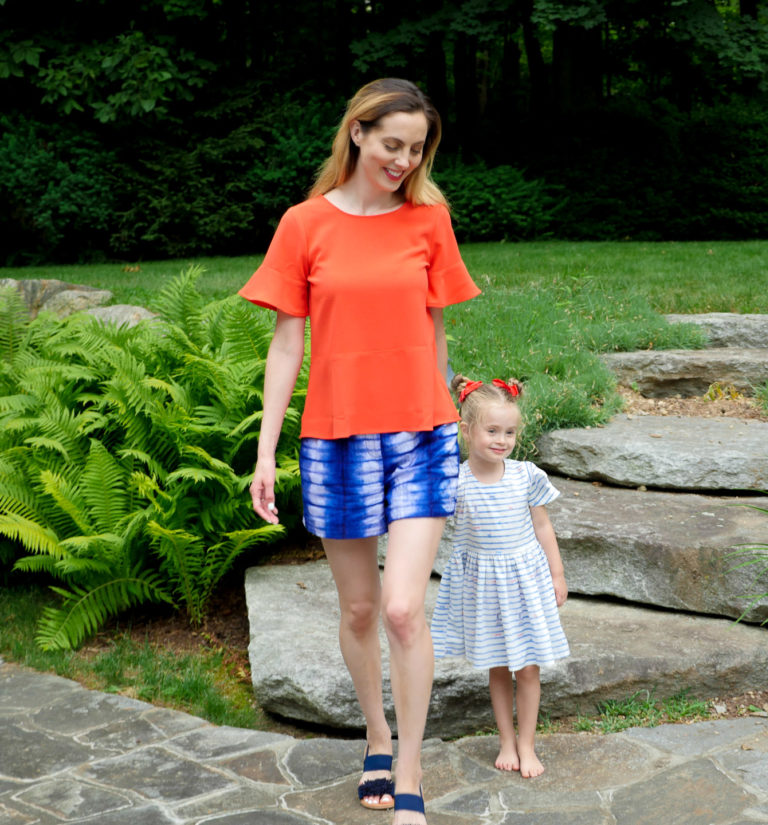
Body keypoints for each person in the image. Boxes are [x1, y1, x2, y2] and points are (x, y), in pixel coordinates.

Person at [240, 78, 480, 825]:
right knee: (359, 607)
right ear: (357, 133)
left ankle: (408, 764)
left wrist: (453, 415)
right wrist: (265, 450)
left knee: (405, 608)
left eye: (416, 149)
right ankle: (376, 734)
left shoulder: (430, 221)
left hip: (422, 435)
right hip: (335, 438)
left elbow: (438, 330)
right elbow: (287, 343)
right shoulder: (304, 224)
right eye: (391, 145)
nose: (404, 160)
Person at [430, 375, 570, 779]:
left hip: (525, 583)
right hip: (484, 590)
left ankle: (527, 744)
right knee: (496, 665)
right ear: (466, 429)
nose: (501, 439)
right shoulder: (456, 482)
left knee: (527, 667)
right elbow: (436, 530)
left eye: (509, 432)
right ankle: (506, 740)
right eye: (492, 430)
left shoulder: (525, 475)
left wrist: (556, 574)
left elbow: (543, 527)